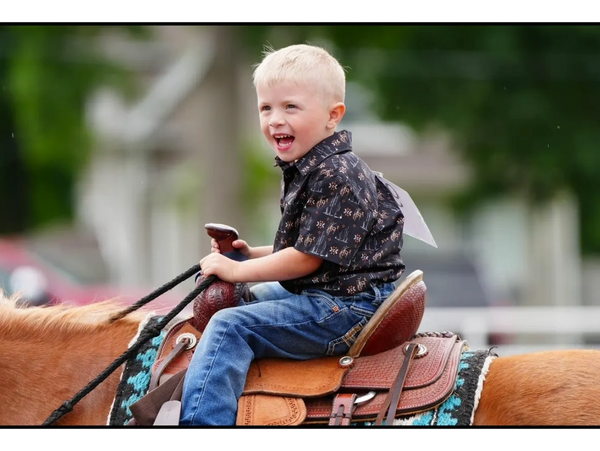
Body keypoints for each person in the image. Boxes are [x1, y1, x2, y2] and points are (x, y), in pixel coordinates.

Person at [179, 43, 405, 426]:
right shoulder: (310, 166)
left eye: (291, 107)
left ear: (333, 116)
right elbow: (312, 246)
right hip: (330, 292)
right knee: (239, 297)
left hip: (346, 307)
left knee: (229, 325)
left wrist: (234, 271)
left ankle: (203, 420)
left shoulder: (337, 174)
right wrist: (251, 255)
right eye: (266, 108)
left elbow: (305, 260)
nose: (275, 120)